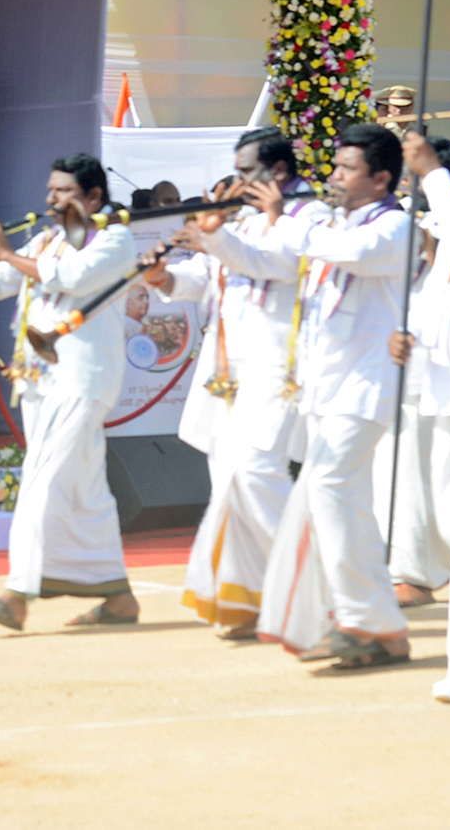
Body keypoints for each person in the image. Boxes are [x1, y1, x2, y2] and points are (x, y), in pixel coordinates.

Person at [193, 124, 410, 668]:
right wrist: (224, 232)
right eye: (334, 168)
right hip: (326, 390)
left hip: (364, 387)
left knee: (331, 492)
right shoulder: (327, 222)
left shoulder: (392, 226)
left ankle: (361, 618)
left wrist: (282, 217)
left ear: (381, 178)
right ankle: (377, 626)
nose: (334, 178)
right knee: (338, 501)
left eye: (348, 170)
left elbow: (346, 252)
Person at [0, 154, 140, 631]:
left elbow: (72, 279)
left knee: (43, 480)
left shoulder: (115, 239)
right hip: (37, 378)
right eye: (50, 191)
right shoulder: (47, 239)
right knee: (84, 490)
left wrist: (4, 251)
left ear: (93, 197)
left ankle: (17, 595)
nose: (50, 201)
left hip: (82, 377)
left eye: (63, 192)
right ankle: (118, 598)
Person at [142, 128, 330, 640]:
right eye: (238, 170)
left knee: (255, 469)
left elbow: (277, 264)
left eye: (248, 171)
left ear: (281, 172)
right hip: (226, 371)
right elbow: (207, 276)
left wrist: (216, 234)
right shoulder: (241, 220)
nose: (239, 181)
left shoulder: (308, 216)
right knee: (227, 480)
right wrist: (163, 278)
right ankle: (250, 598)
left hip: (277, 366)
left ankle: (321, 588)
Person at [393, 131, 450, 701]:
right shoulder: (449, 252)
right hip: (447, 397)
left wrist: (430, 170)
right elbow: (437, 312)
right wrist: (409, 341)